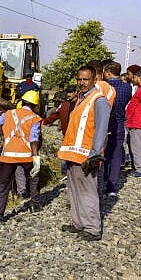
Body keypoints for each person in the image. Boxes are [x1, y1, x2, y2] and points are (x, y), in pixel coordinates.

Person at [57, 65, 110, 241]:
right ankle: (78, 223)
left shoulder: (99, 100)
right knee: (74, 191)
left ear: (94, 80)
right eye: (79, 79)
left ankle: (92, 228)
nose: (81, 83)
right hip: (73, 155)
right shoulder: (81, 99)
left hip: (86, 156)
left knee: (87, 192)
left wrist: (95, 156)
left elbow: (101, 130)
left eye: (85, 79)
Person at [0, 90, 43, 223]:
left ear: (21, 102)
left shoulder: (8, 114)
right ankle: (34, 205)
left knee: (1, 185)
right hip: (26, 156)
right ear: (35, 106)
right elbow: (34, 138)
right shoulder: (35, 118)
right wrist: (36, 157)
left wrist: (0, 132)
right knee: (34, 178)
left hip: (7, 156)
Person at [102, 62, 132, 197]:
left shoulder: (104, 87)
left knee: (103, 152)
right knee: (116, 154)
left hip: (105, 122)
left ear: (108, 72)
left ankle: (102, 178)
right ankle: (112, 186)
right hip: (119, 122)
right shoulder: (127, 88)